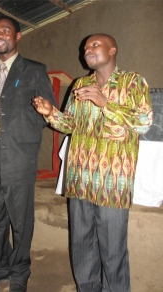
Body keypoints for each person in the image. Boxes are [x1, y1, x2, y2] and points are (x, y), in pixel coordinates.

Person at [33, 33, 153, 292]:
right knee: (82, 243)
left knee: (113, 249)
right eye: (86, 47)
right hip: (80, 178)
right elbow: (70, 125)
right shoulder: (80, 83)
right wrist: (51, 112)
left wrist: (104, 102)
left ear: (113, 50)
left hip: (112, 181)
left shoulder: (132, 82)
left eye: (95, 45)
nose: (87, 50)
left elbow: (143, 122)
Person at [0, 15, 56, 292]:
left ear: (18, 36)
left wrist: (43, 114)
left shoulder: (33, 70)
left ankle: (19, 274)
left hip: (19, 156)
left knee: (20, 220)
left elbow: (50, 115)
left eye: (5, 30)